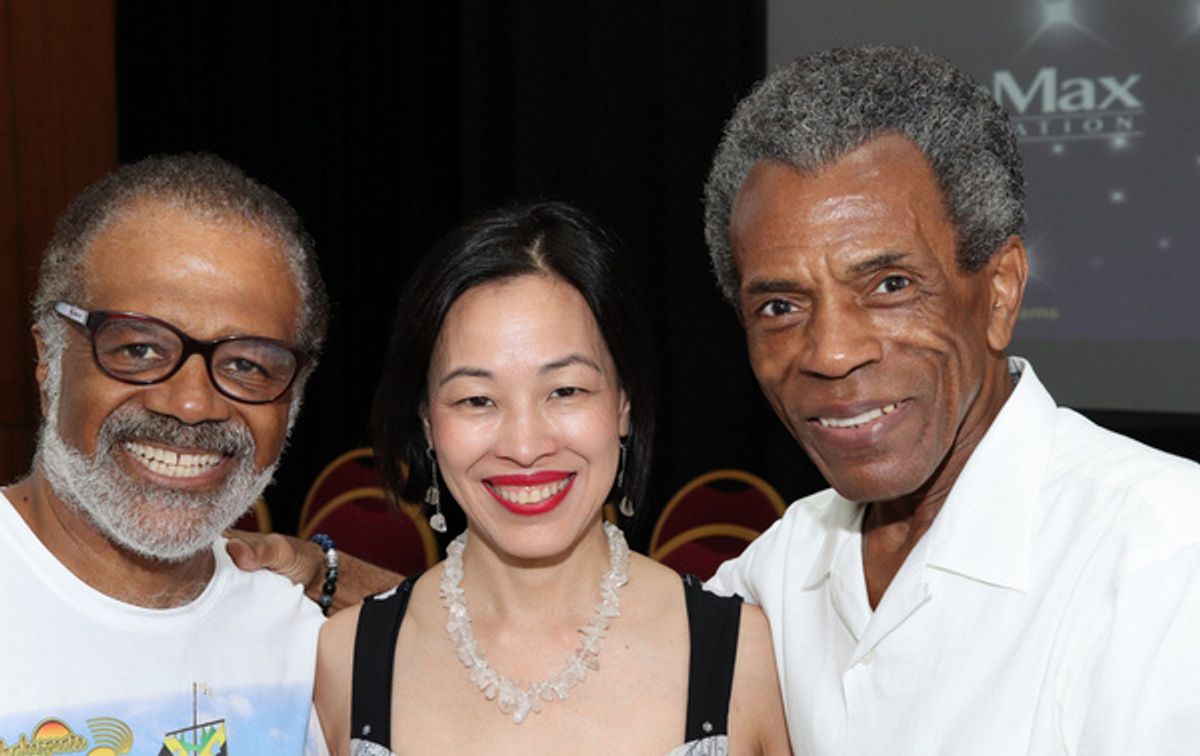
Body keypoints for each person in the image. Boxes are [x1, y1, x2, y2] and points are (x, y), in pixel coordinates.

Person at [702, 45, 1200, 754]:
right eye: (781, 305)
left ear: (999, 293)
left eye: (890, 286)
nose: (832, 352)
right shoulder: (776, 570)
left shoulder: (1165, 557)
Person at [311, 202, 790, 755]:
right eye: (476, 399)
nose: (524, 446)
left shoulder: (745, 655)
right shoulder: (343, 663)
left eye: (565, 391)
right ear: (427, 423)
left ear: (623, 405)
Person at [0, 153, 339, 753]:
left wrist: (334, 575)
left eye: (246, 364)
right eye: (138, 350)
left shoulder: (305, 644)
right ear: (49, 361)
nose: (191, 404)